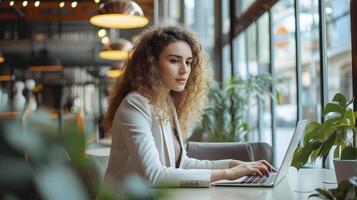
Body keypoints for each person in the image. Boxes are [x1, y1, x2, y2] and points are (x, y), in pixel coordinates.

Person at [102, 26, 273, 192]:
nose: (185, 70)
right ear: (151, 64)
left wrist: (232, 164)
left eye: (189, 62)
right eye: (175, 61)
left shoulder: (167, 102)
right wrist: (228, 174)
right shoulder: (135, 104)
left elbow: (182, 163)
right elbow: (153, 175)